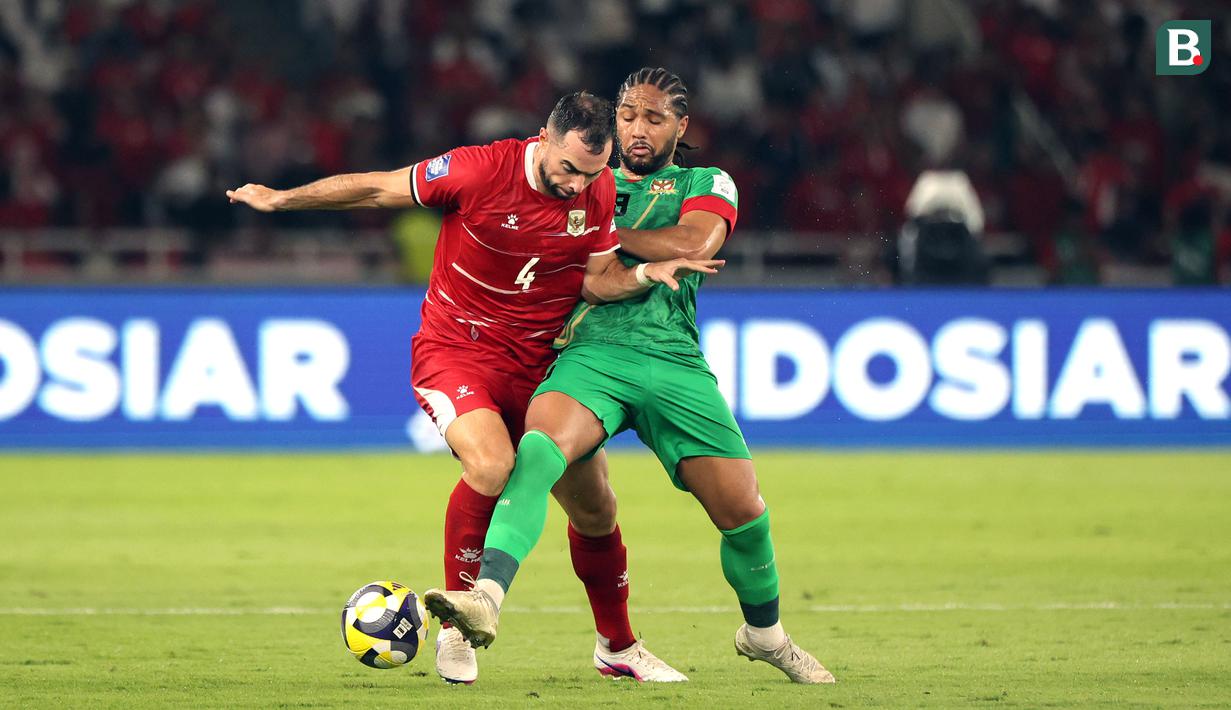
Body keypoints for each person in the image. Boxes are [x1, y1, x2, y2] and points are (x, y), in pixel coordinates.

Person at [227, 91, 718, 684]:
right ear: (543, 137)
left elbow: (594, 283)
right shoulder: (478, 169)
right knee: (492, 465)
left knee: (596, 510)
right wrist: (282, 199)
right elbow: (380, 188)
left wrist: (643, 273)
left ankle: (617, 646)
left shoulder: (598, 189)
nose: (576, 186)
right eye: (567, 169)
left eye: (590, 173)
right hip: (459, 352)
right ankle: (459, 630)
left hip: (542, 365)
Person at [423, 68, 835, 684]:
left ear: (681, 126)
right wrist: (599, 229)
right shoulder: (587, 179)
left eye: (653, 118)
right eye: (627, 117)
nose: (637, 130)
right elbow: (563, 247)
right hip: (590, 353)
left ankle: (766, 635)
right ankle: (485, 599)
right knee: (537, 453)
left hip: (674, 360)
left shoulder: (703, 181)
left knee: (744, 514)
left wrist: (606, 233)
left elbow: (693, 239)